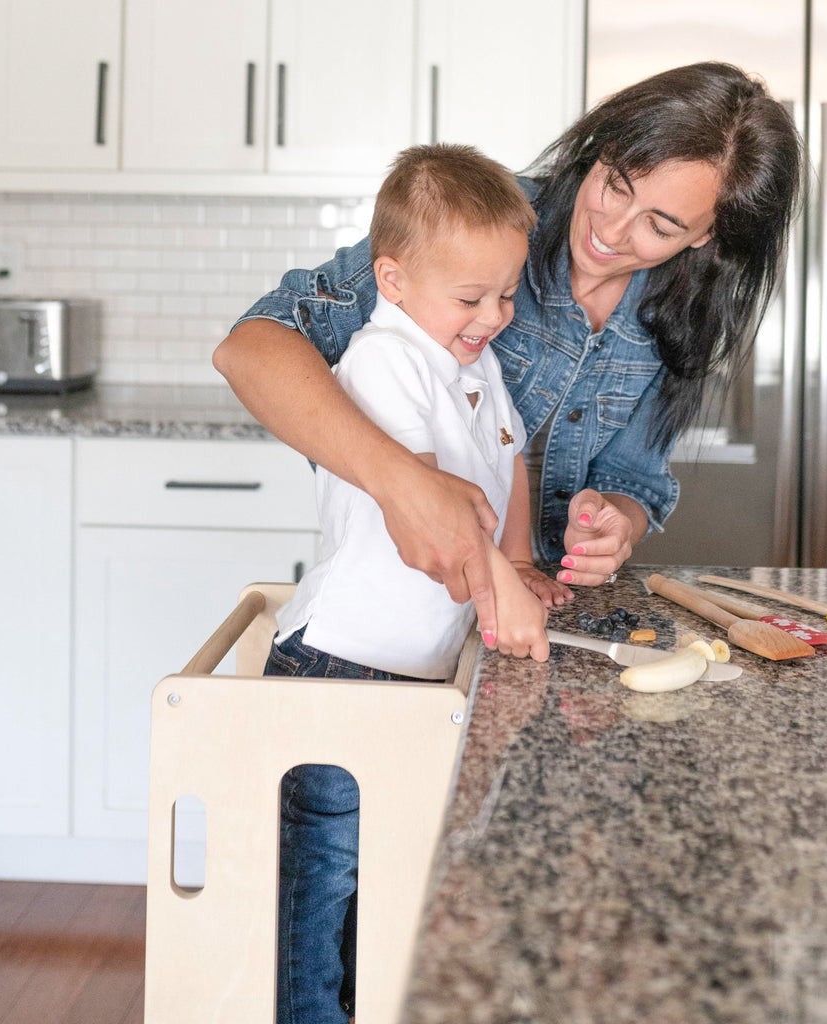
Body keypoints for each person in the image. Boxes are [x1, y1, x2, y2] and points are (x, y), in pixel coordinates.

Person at [214, 59, 804, 647]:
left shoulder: (684, 307)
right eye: (617, 185)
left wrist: (614, 523)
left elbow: (631, 478)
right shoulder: (484, 223)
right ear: (601, 149)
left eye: (661, 226)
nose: (611, 230)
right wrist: (405, 486)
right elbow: (251, 348)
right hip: (406, 608)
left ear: (705, 234)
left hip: (534, 605)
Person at [263, 143, 572, 1024]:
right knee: (324, 880)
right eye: (471, 298)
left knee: (390, 873)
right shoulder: (383, 361)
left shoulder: (476, 366)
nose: (495, 317)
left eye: (506, 295)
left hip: (409, 672)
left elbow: (512, 460)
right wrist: (498, 590)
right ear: (392, 280)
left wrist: (520, 562)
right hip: (340, 665)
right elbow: (433, 508)